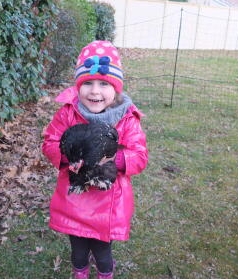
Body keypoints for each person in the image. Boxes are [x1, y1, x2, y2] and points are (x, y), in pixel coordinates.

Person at [42, 40, 148, 279]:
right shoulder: (68, 113)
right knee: (78, 250)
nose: (95, 91)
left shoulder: (126, 119)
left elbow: (140, 156)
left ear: (116, 89)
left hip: (107, 206)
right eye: (87, 83)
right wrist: (69, 158)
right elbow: (49, 143)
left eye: (104, 84)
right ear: (79, 87)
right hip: (74, 201)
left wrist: (114, 160)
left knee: (102, 253)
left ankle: (104, 274)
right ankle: (80, 273)